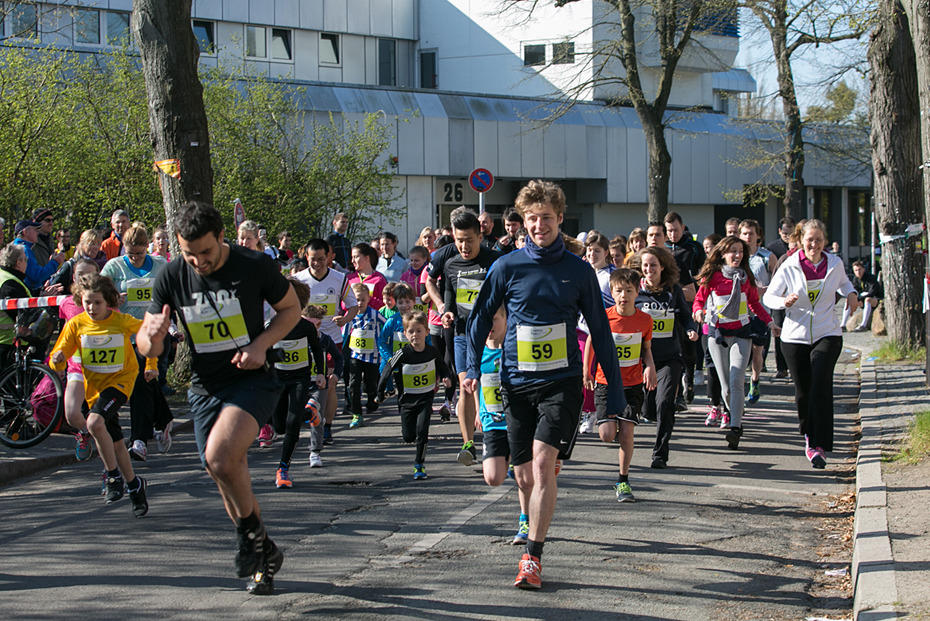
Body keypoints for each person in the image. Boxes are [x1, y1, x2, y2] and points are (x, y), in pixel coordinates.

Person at [464, 179, 625, 590]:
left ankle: (532, 558)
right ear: (522, 222)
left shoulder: (579, 271)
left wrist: (615, 394)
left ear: (560, 218)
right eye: (532, 219)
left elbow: (602, 333)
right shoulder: (507, 266)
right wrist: (467, 367)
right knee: (522, 477)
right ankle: (540, 489)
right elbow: (479, 319)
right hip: (516, 385)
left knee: (540, 465)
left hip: (562, 382)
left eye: (547, 218)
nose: (539, 226)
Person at [137, 201, 301, 595]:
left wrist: (262, 344)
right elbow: (147, 345)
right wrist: (153, 337)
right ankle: (263, 551)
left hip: (252, 379)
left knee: (219, 456)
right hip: (204, 387)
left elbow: (292, 309)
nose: (198, 262)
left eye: (205, 253)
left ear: (222, 237)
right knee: (227, 472)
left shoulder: (253, 265)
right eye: (189, 253)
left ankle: (248, 537)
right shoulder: (173, 275)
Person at [49, 273, 152, 518]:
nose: (92, 308)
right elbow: (60, 353)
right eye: (87, 303)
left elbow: (150, 335)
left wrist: (151, 364)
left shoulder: (121, 321)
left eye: (97, 302)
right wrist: (58, 360)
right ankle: (134, 485)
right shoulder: (77, 324)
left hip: (120, 382)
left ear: (108, 302)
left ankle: (113, 477)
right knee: (116, 443)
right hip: (95, 388)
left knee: (95, 422)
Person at [763, 219, 857, 470]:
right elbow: (769, 296)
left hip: (828, 332)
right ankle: (808, 436)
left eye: (818, 240)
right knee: (804, 391)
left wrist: (851, 294)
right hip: (795, 336)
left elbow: (844, 283)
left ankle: (820, 443)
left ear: (824, 241)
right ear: (801, 240)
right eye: (809, 240)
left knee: (821, 383)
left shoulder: (834, 263)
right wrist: (785, 301)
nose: (814, 245)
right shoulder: (790, 265)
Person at [427, 207, 499, 466]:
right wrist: (443, 310)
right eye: (459, 241)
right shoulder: (450, 262)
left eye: (469, 240)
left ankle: (497, 438)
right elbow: (446, 296)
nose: (464, 246)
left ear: (480, 235)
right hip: (461, 333)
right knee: (467, 386)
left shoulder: (495, 261)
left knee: (491, 384)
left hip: (491, 335)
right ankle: (468, 444)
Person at [693, 236, 777, 450]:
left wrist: (770, 323)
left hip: (742, 333)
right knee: (727, 387)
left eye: (740, 251)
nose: (737, 256)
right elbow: (699, 300)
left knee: (738, 380)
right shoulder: (712, 276)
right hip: (717, 335)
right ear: (723, 254)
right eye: (732, 251)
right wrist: (698, 311)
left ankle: (736, 427)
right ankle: (733, 410)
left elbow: (755, 304)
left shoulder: (745, 277)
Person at [583, 268, 656, 502]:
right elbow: (591, 343)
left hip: (632, 383)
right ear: (612, 293)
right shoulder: (605, 317)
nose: (623, 295)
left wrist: (650, 367)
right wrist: (587, 370)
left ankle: (623, 480)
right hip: (606, 382)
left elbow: (646, 349)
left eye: (628, 290)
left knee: (627, 433)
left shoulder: (645, 320)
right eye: (619, 291)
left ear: (637, 292)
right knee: (606, 435)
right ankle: (611, 424)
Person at [101, 224, 170, 461]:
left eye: (140, 253)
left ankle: (139, 440)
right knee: (146, 383)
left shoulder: (160, 265)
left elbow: (171, 292)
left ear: (147, 248)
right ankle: (164, 419)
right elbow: (98, 293)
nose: (135, 258)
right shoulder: (114, 266)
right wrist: (112, 299)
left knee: (142, 382)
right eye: (131, 254)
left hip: (153, 333)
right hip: (124, 335)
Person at [630, 246, 698, 468]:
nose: (649, 269)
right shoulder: (635, 292)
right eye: (645, 265)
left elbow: (686, 316)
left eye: (653, 265)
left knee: (665, 403)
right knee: (648, 409)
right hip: (642, 359)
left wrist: (690, 329)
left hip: (669, 357)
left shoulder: (673, 290)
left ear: (662, 267)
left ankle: (660, 454)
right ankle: (647, 409)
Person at [293, 238, 358, 447]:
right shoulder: (298, 280)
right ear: (306, 257)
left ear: (329, 257)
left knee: (329, 385)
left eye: (322, 259)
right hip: (303, 342)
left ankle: (327, 426)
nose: (317, 264)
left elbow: (353, 306)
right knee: (306, 385)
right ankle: (309, 418)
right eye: (313, 259)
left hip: (331, 340)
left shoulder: (339, 279)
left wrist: (345, 319)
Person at [376, 310, 455, 480]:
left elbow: (443, 367)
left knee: (422, 431)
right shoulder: (403, 353)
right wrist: (380, 391)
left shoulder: (432, 352)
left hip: (425, 398)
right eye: (411, 331)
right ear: (405, 334)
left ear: (427, 332)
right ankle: (414, 448)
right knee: (408, 436)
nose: (415, 335)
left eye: (419, 331)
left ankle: (419, 464)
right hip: (406, 401)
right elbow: (387, 370)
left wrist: (447, 377)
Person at [269, 278, 325, 489]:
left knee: (292, 424)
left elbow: (317, 350)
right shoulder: (272, 325)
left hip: (300, 379)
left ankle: (283, 469)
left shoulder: (305, 327)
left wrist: (320, 373)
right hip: (278, 379)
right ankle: (310, 413)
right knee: (279, 426)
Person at [57, 258, 101, 461]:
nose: (83, 279)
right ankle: (84, 433)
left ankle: (111, 472)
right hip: (76, 367)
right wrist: (57, 360)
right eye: (79, 275)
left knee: (103, 423)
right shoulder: (66, 303)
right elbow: (63, 335)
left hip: (103, 369)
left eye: (88, 275)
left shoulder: (105, 302)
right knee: (71, 413)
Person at [739, 219, 777, 405]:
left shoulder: (766, 257)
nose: (747, 237)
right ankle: (738, 384)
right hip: (739, 313)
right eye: (744, 234)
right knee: (739, 352)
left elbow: (779, 284)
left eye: (751, 234)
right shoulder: (735, 257)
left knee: (757, 351)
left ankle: (754, 380)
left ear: (758, 236)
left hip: (760, 312)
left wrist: (764, 290)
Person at [301, 304, 344, 467]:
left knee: (316, 415)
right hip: (300, 383)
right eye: (308, 324)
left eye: (316, 325)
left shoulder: (325, 339)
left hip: (320, 384)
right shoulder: (296, 338)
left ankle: (315, 452)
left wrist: (336, 375)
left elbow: (339, 359)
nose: (312, 329)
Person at [345, 282, 385, 428]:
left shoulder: (374, 314)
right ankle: (357, 413)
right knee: (354, 384)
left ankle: (371, 400)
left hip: (372, 356)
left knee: (370, 383)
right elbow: (344, 332)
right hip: (355, 355)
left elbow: (386, 324)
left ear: (368, 299)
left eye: (362, 299)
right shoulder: (350, 314)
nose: (359, 303)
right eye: (356, 300)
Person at [0, 244, 36, 367]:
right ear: (18, 262)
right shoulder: (10, 283)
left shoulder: (3, 275)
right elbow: (22, 313)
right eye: (25, 259)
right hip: (8, 341)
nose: (27, 263)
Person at [12, 220, 65, 292]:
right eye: (35, 230)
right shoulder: (24, 249)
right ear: (25, 232)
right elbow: (37, 276)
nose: (38, 233)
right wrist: (55, 262)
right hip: (26, 294)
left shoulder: (16, 247)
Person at [348, 242, 388, 310]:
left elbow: (384, 304)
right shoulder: (350, 279)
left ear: (367, 258)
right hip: (352, 318)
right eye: (352, 257)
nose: (352, 261)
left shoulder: (379, 279)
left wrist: (366, 299)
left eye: (356, 257)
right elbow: (343, 303)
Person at [847, 261, 883, 332]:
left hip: (876, 300)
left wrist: (860, 299)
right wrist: (856, 299)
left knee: (867, 300)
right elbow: (855, 291)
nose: (858, 272)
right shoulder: (856, 279)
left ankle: (863, 325)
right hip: (863, 300)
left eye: (859, 269)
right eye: (856, 270)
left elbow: (872, 292)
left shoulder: (871, 278)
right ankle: (843, 325)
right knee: (849, 299)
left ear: (863, 269)